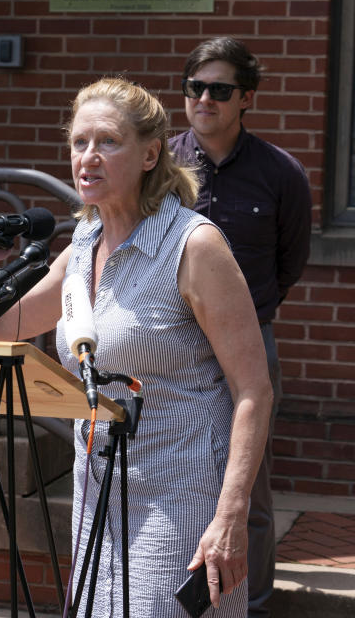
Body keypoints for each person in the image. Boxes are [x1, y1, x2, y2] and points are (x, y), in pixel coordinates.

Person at [0, 78, 273, 616]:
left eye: (107, 141)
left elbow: (254, 389)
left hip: (182, 491)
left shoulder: (193, 244)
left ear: (150, 154)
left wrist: (231, 512)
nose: (87, 157)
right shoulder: (84, 241)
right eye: (78, 143)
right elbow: (13, 318)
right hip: (99, 489)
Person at [169, 37, 312, 617]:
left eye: (220, 89)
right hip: (171, 345)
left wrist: (249, 315)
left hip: (248, 347)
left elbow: (290, 260)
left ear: (246, 97)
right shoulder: (160, 163)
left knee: (247, 485)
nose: (204, 99)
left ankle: (250, 603)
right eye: (195, 87)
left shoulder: (281, 173)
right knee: (167, 471)